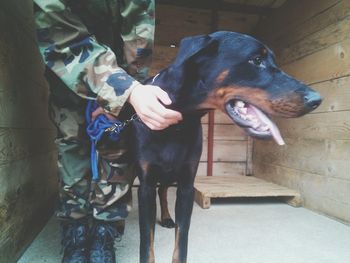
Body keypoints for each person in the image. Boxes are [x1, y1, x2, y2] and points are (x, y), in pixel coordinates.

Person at [33, 1, 182, 262]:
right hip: (66, 65)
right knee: (71, 141)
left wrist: (124, 95)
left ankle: (105, 231)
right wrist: (124, 90)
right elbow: (57, 31)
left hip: (121, 63)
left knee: (116, 143)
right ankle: (75, 232)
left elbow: (139, 30)